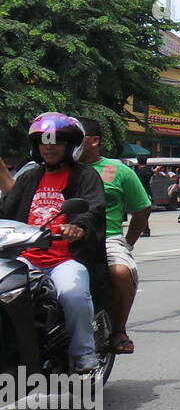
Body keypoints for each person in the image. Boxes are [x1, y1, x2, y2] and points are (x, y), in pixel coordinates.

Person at [0, 113, 108, 373]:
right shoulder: (29, 177)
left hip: (65, 259)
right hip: (25, 258)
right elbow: (7, 210)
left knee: (73, 295)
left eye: (56, 142)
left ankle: (84, 353)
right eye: (43, 142)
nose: (49, 147)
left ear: (71, 146)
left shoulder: (86, 176)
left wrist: (77, 227)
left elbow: (92, 209)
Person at [78, 120, 151, 355]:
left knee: (121, 273)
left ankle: (118, 330)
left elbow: (142, 208)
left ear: (94, 141)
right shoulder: (53, 168)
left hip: (106, 239)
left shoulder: (119, 171)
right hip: (57, 237)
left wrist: (127, 243)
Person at [133, 157, 153, 237]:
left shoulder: (138, 172)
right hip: (148, 192)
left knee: (139, 212)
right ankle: (145, 229)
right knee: (144, 212)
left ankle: (144, 230)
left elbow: (139, 183)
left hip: (140, 193)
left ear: (138, 162)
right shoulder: (149, 170)